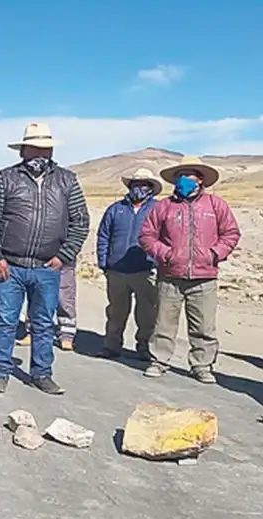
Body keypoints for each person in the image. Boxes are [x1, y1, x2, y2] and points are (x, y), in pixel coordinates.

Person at [0, 123, 90, 395]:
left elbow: (80, 221)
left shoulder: (67, 180)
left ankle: (41, 373)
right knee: (5, 321)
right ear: (23, 150)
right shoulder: (6, 179)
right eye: (34, 147)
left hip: (48, 267)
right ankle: (1, 371)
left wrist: (64, 255)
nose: (39, 152)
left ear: (51, 150)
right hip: (9, 266)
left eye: (44, 148)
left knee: (43, 323)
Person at [138, 156, 241, 383]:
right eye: (180, 176)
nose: (184, 179)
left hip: (204, 276)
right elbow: (147, 235)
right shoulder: (164, 206)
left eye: (190, 175)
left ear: (200, 179)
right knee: (164, 322)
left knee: (204, 325)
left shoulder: (216, 205)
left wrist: (214, 254)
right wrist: (165, 254)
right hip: (170, 275)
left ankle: (202, 365)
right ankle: (159, 361)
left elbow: (231, 233)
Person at [96, 167, 161, 359]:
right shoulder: (116, 209)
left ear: (150, 188)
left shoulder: (157, 209)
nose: (139, 188)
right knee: (116, 311)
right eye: (135, 184)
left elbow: (165, 237)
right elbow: (103, 236)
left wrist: (157, 262)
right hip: (116, 270)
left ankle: (144, 347)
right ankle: (112, 346)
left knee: (147, 313)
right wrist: (104, 263)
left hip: (145, 269)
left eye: (143, 185)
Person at [16, 264, 78, 351]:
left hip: (64, 258)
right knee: (38, 294)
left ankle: (67, 335)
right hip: (42, 258)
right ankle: (32, 332)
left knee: (64, 297)